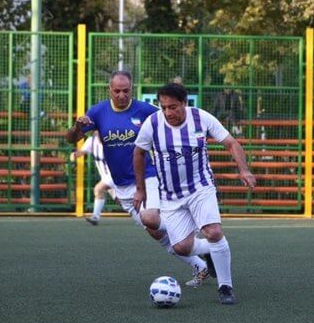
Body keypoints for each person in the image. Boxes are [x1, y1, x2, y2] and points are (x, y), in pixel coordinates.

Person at [66, 71, 212, 287]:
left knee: (151, 219)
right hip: (121, 184)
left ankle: (206, 243)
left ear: (131, 89)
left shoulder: (144, 110)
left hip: (148, 176)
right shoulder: (98, 112)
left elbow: (171, 120)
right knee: (155, 233)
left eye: (126, 91)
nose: (122, 95)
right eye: (117, 91)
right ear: (110, 90)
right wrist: (78, 126)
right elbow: (72, 139)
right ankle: (201, 262)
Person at [133, 82, 257, 305]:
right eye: (164, 107)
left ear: (184, 103)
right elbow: (139, 153)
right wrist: (140, 190)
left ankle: (225, 287)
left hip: (201, 187)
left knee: (213, 231)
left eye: (173, 107)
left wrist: (244, 169)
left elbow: (231, 143)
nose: (168, 112)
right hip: (170, 196)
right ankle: (212, 251)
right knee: (182, 247)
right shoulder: (152, 123)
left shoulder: (201, 118)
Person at [71, 131, 116, 225]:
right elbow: (82, 152)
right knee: (122, 201)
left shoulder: (113, 141)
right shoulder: (91, 141)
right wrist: (75, 154)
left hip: (116, 174)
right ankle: (144, 213)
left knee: (98, 189)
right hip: (105, 177)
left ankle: (95, 217)